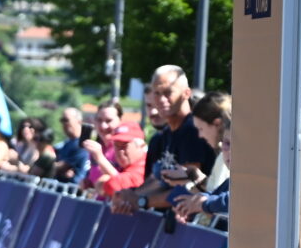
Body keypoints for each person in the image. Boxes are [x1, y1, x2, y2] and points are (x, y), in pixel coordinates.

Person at [112, 65, 218, 215]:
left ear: (186, 93)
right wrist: (128, 196)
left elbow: (187, 188)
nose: (161, 99)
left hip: (198, 222)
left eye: (168, 92)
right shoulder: (167, 133)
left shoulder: (192, 130)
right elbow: (159, 180)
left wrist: (141, 201)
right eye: (157, 93)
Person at [95, 122, 149, 201]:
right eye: (117, 145)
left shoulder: (145, 165)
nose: (120, 151)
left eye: (124, 146)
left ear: (141, 146)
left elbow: (112, 185)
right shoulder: (124, 165)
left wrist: (104, 181)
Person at [53, 108, 90, 186]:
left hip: (73, 189)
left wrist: (44, 165)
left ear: (79, 121)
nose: (63, 124)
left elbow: (61, 166)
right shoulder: (67, 143)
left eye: (66, 120)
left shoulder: (82, 143)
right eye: (62, 120)